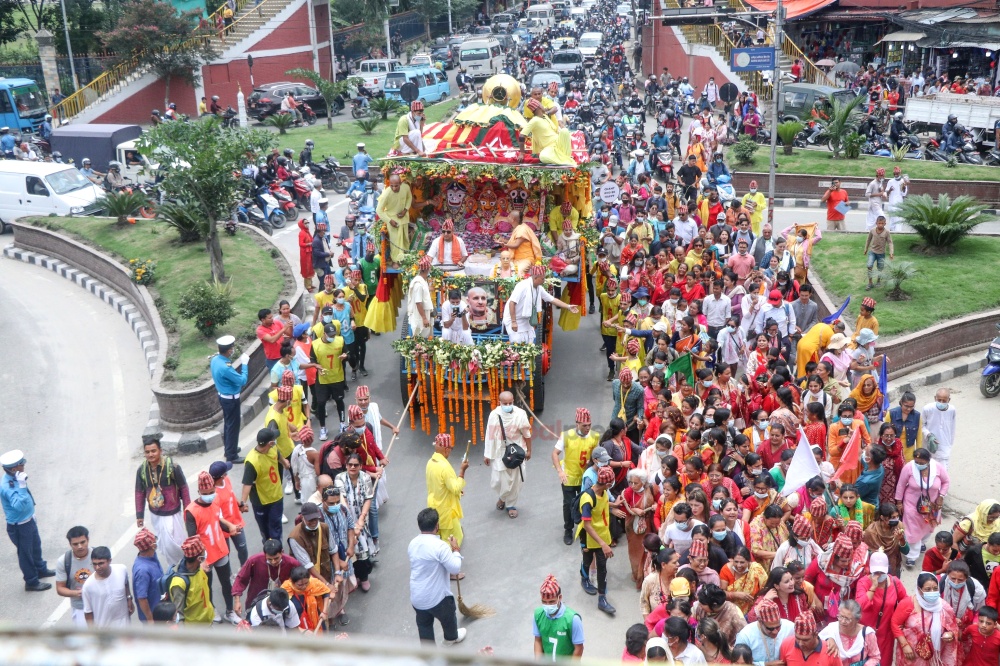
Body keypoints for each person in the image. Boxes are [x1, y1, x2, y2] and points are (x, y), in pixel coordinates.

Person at [409, 507, 466, 646]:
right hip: (437, 599)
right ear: (437, 525)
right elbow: (455, 568)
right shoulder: (440, 546)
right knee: (448, 614)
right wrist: (456, 550)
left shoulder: (412, 544)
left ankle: (429, 655)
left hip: (417, 598)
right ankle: (451, 637)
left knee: (424, 626)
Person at [0, 449, 54, 593]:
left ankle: (40, 569)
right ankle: (31, 581)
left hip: (28, 520)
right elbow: (18, 506)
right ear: (14, 468)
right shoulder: (8, 486)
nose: (24, 466)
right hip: (20, 526)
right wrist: (22, 487)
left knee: (36, 546)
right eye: (21, 465)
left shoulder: (16, 477)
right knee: (25, 554)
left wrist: (31, 515)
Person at [135, 438, 189, 569]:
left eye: (153, 451)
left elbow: (183, 488)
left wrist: (188, 509)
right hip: (156, 514)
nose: (151, 454)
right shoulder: (141, 470)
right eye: (147, 452)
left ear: (160, 451)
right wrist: (139, 515)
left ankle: (185, 564)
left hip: (173, 513)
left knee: (175, 543)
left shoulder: (173, 467)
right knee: (164, 543)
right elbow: (139, 493)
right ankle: (175, 568)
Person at [577, 465, 620, 615]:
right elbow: (587, 525)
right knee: (587, 560)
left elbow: (604, 505)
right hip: (589, 537)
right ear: (608, 484)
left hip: (603, 534)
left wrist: (615, 507)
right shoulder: (587, 498)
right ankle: (584, 579)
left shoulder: (604, 492)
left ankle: (602, 598)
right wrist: (603, 545)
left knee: (602, 567)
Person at [890, 572, 960, 666]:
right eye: (927, 589)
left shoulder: (943, 606)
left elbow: (953, 627)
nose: (932, 592)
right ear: (919, 590)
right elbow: (895, 624)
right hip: (912, 653)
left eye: (935, 589)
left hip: (936, 655)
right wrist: (904, 645)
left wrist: (950, 634)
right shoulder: (908, 603)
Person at [896, 447, 950, 567]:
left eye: (922, 463)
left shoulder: (938, 468)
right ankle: (911, 556)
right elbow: (900, 485)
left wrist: (941, 496)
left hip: (933, 505)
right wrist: (899, 502)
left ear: (928, 461)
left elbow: (946, 481)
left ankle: (922, 541)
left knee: (929, 526)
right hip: (911, 504)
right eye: (917, 462)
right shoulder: (909, 467)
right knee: (912, 529)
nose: (919, 465)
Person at [554, 408, 600, 545]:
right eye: (584, 425)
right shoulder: (566, 435)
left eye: (589, 425)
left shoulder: (595, 436)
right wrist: (560, 471)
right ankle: (568, 529)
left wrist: (591, 462)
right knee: (568, 504)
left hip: (585, 477)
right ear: (577, 423)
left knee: (584, 503)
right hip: (569, 475)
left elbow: (595, 455)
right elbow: (554, 453)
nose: (587, 428)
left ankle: (584, 527)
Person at [484, 391, 532, 519]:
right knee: (497, 481)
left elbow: (527, 434)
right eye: (505, 403)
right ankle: (502, 497)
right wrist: (487, 454)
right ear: (500, 403)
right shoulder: (494, 415)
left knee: (516, 481)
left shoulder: (520, 414)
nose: (508, 405)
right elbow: (490, 436)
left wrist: (528, 450)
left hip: (517, 451)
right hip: (500, 451)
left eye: (510, 403)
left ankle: (511, 505)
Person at [504, 265, 579, 344]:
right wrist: (513, 322)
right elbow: (512, 303)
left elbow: (552, 299)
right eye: (542, 278)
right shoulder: (522, 286)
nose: (544, 280)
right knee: (517, 344)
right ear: (535, 278)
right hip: (514, 319)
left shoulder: (539, 288)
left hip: (526, 320)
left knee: (529, 344)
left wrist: (568, 306)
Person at [231, 539, 301, 618]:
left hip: (282, 604)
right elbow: (241, 579)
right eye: (269, 559)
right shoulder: (253, 561)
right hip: (257, 601)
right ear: (265, 554)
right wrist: (237, 601)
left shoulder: (292, 563)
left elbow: (302, 580)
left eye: (276, 558)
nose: (273, 562)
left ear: (282, 552)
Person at [241, 428, 288, 541]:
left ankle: (277, 551)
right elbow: (247, 484)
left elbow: (279, 456)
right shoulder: (252, 461)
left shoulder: (273, 449)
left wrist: (285, 463)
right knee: (265, 532)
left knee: (275, 528)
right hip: (260, 501)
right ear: (270, 443)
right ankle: (269, 551)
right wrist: (243, 502)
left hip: (276, 497)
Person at [210, 335, 249, 463]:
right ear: (228, 350)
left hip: (224, 397)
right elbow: (242, 380)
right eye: (231, 348)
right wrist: (244, 364)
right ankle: (231, 455)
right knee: (233, 426)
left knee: (228, 424)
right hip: (231, 400)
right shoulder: (225, 367)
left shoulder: (216, 360)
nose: (233, 350)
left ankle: (229, 449)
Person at [426, 433, 468, 547]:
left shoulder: (430, 462)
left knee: (441, 533)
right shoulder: (444, 467)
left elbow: (441, 485)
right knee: (455, 538)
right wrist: (462, 471)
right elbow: (454, 488)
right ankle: (448, 556)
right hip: (446, 510)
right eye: (451, 448)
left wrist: (457, 491)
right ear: (446, 449)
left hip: (434, 506)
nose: (450, 451)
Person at [81, 546, 132, 627]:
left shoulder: (122, 569)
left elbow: (125, 583)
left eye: (101, 563)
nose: (97, 567)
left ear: (109, 561)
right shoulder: (88, 586)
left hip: (124, 626)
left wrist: (129, 598)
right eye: (94, 564)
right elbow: (88, 613)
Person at [819, 599, 880, 666]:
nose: (842, 621)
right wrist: (829, 638)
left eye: (847, 619)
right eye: (841, 616)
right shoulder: (832, 629)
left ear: (857, 620)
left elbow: (875, 657)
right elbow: (816, 643)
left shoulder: (867, 634)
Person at [735, 599, 795, 665]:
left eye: (778, 627)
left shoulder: (790, 627)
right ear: (760, 622)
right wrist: (765, 664)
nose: (775, 632)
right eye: (770, 628)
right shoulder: (745, 635)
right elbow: (738, 663)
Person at [56, 525, 94, 625]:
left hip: (101, 604)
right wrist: (77, 593)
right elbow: (60, 588)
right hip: (80, 607)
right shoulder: (64, 561)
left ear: (88, 540)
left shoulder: (98, 555)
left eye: (82, 542)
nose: (80, 546)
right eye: (75, 544)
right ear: (70, 544)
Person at [375, 174, 412, 265]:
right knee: (395, 243)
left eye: (396, 185)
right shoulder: (386, 194)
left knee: (405, 240)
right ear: (389, 184)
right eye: (392, 185)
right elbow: (379, 210)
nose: (394, 188)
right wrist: (389, 221)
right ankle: (396, 261)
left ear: (400, 183)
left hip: (404, 219)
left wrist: (405, 210)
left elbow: (409, 198)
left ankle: (405, 259)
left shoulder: (406, 187)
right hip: (392, 221)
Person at [131, 528, 162, 623]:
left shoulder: (151, 556)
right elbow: (142, 598)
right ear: (152, 546)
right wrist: (150, 619)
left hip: (160, 609)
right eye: (154, 541)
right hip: (154, 617)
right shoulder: (143, 571)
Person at [921, 388, 956, 470]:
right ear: (935, 398)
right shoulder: (927, 409)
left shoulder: (952, 410)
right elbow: (921, 426)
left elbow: (952, 428)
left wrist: (949, 444)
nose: (941, 403)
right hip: (929, 447)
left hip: (944, 447)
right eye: (939, 400)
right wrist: (929, 435)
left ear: (949, 400)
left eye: (944, 401)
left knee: (942, 473)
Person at [407, 255, 433, 338]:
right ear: (427, 269)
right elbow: (418, 303)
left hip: (423, 314)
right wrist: (424, 318)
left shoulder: (422, 281)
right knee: (421, 340)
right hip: (420, 316)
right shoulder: (419, 285)